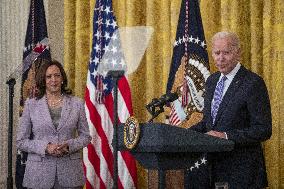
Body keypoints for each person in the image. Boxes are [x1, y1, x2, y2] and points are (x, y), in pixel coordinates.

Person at [190, 31, 272, 189]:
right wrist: (182, 134)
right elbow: (209, 122)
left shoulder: (253, 82)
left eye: (226, 53)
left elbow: (263, 129)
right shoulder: (212, 81)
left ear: (238, 53)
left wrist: (225, 135)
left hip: (243, 174)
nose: (221, 58)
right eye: (217, 53)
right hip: (214, 170)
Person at [17, 59, 91, 189]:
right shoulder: (31, 104)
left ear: (62, 78)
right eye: (49, 76)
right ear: (43, 80)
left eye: (57, 75)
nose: (53, 80)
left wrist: (69, 145)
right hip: (38, 175)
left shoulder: (77, 104)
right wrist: (46, 147)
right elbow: (21, 141)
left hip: (70, 174)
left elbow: (86, 136)